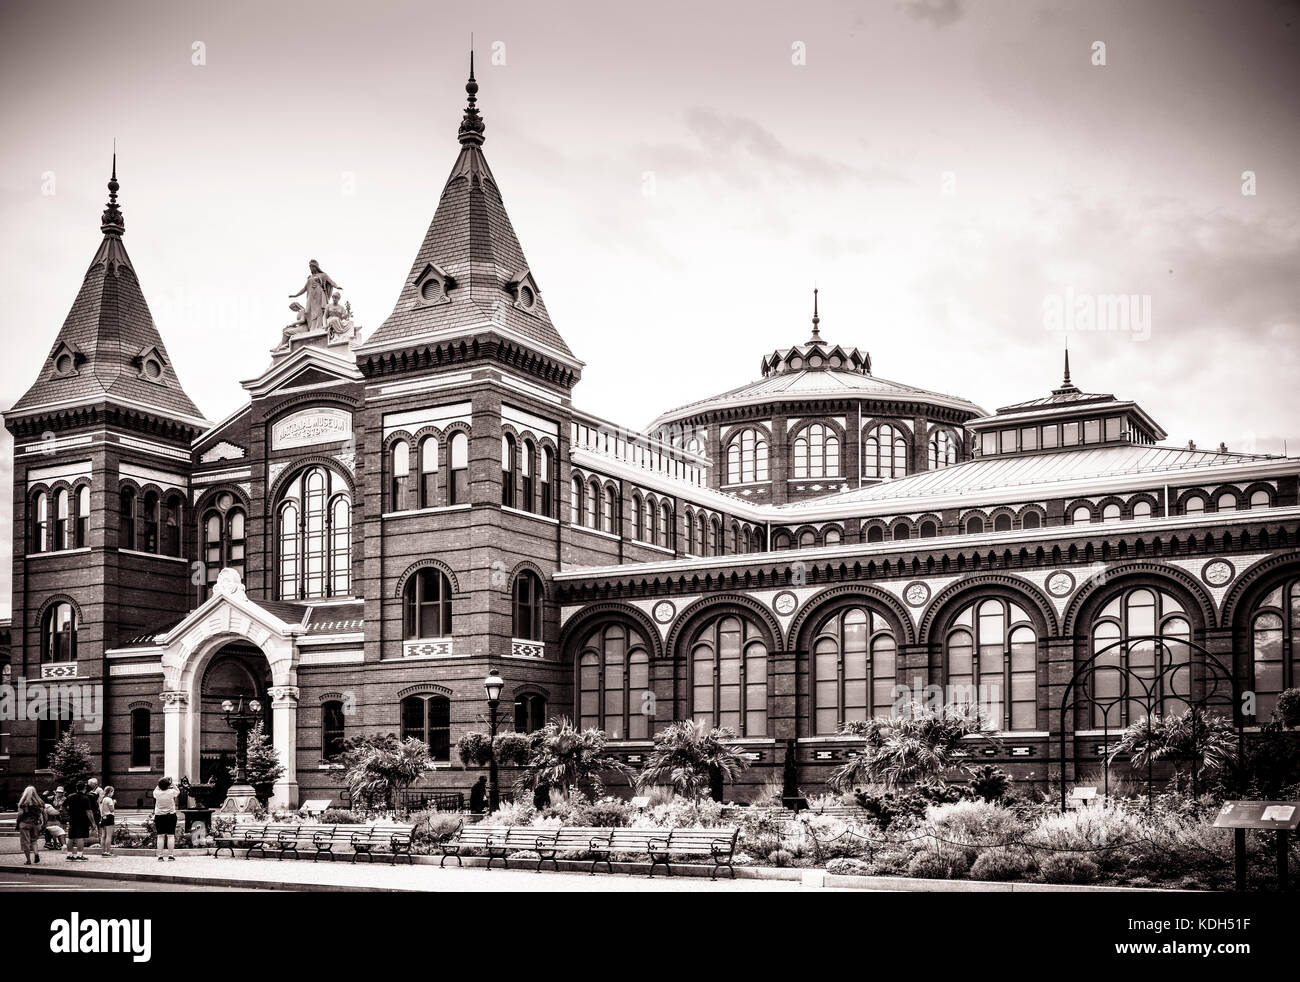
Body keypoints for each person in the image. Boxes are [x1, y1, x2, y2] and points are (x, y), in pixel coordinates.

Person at [64, 782, 97, 861]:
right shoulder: (85, 798)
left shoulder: (70, 796)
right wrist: (93, 823)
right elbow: (89, 811)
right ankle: (79, 855)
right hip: (82, 820)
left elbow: (63, 807)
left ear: (76, 788)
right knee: (80, 838)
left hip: (72, 819)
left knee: (71, 837)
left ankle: (69, 855)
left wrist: (68, 815)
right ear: (84, 789)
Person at [152, 777, 180, 861]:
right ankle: (171, 855)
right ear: (168, 785)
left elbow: (156, 788)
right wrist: (172, 783)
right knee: (171, 835)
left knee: (160, 836)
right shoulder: (171, 792)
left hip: (159, 816)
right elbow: (178, 791)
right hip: (170, 815)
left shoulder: (156, 793)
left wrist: (160, 783)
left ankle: (160, 856)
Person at [16, 786, 46, 865]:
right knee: (34, 840)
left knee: (26, 842)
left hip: (25, 823)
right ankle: (36, 854)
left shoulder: (23, 803)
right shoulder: (40, 802)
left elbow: (20, 814)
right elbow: (44, 814)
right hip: (36, 824)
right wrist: (44, 823)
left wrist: (17, 823)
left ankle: (28, 860)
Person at [98, 786, 117, 857]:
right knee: (109, 836)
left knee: (103, 836)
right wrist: (114, 803)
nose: (113, 793)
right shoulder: (109, 799)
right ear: (110, 792)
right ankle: (108, 852)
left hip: (103, 817)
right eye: (112, 792)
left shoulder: (102, 799)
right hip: (109, 817)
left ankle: (103, 851)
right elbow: (112, 810)